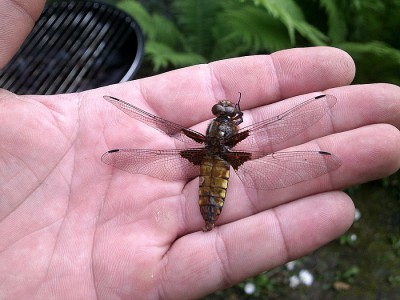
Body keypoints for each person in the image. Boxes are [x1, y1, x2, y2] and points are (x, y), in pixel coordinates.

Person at [1, 2, 400, 299]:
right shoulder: (232, 135)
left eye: (229, 113)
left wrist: (216, 146)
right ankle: (210, 216)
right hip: (220, 165)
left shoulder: (208, 136)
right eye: (228, 114)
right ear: (230, 121)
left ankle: (209, 215)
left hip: (210, 162)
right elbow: (245, 134)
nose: (228, 114)